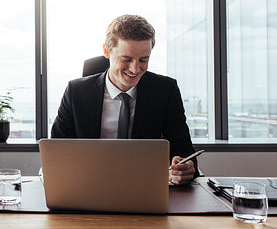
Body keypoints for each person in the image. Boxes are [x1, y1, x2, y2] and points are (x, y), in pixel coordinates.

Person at [51, 14, 199, 185]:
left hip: (145, 188)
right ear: (107, 51)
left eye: (143, 60)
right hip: (87, 185)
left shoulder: (165, 91)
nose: (135, 69)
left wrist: (186, 167)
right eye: (126, 59)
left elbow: (185, 152)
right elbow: (56, 152)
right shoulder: (76, 92)